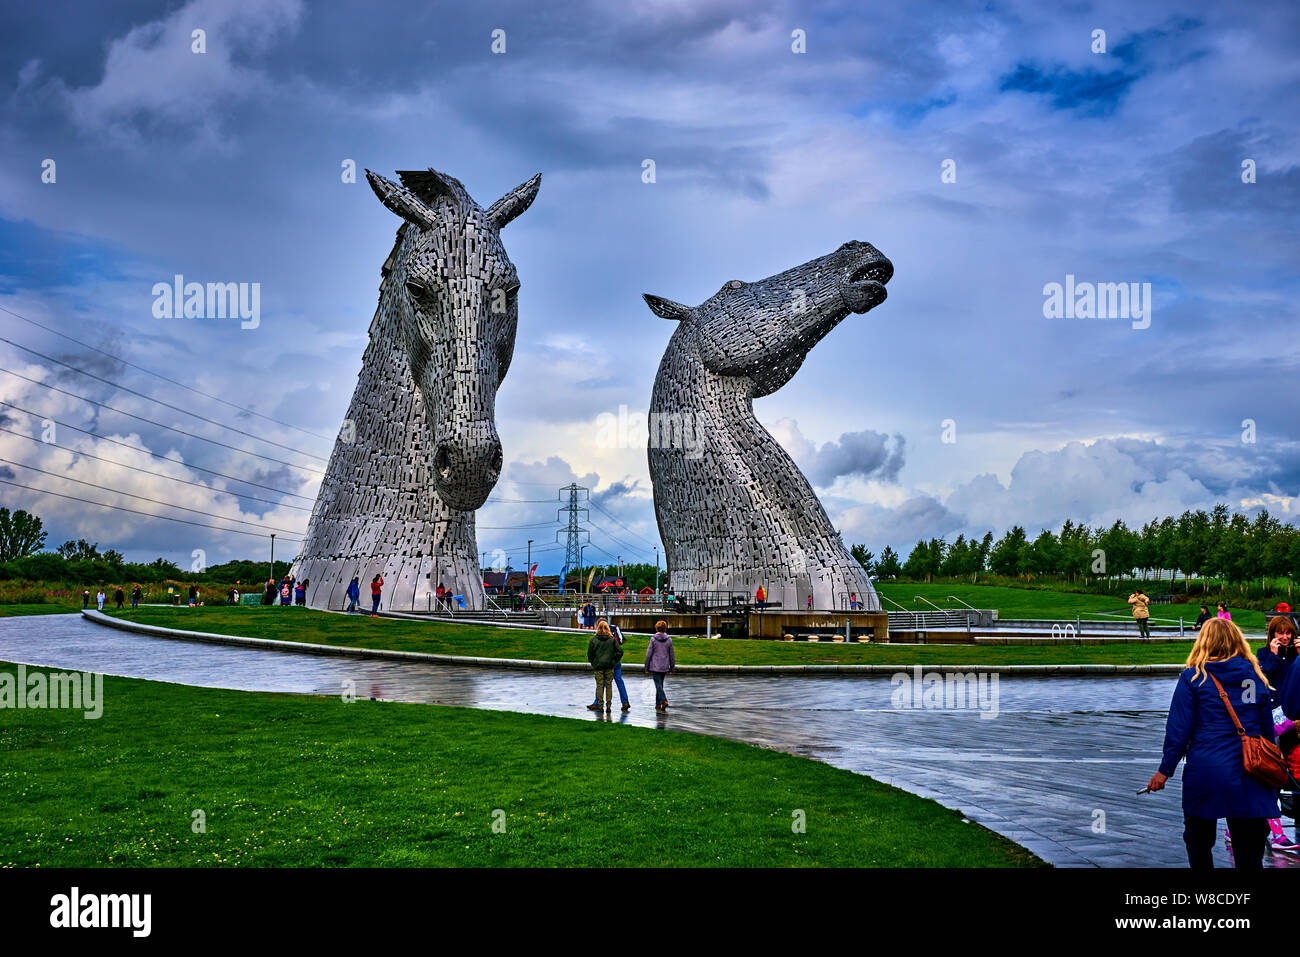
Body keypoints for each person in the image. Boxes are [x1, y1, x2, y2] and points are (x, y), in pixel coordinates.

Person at [1146, 618, 1278, 868]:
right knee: (1249, 850)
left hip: (1207, 769)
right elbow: (1266, 731)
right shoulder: (1254, 676)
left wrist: (1165, 770)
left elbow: (1178, 730)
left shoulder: (1193, 678)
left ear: (1203, 642)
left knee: (1198, 840)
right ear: (1237, 641)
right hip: (1251, 770)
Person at [590, 619, 630, 712]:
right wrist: (615, 659)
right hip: (615, 662)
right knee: (619, 681)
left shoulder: (597, 637)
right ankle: (625, 701)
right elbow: (621, 641)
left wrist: (594, 662)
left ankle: (598, 703)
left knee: (601, 683)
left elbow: (591, 653)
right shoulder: (615, 629)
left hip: (603, 663)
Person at [1257, 616, 1296, 708]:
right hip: (1274, 704)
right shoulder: (1263, 652)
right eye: (1280, 633)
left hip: (1293, 703)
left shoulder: (1295, 652)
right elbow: (1263, 677)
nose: (1285, 637)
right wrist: (1273, 656)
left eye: (1288, 633)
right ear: (1273, 634)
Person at [645, 619, 676, 712]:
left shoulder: (653, 639)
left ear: (657, 628)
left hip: (655, 666)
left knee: (658, 685)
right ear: (665, 629)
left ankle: (664, 701)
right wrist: (672, 668)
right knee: (660, 685)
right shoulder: (669, 640)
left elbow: (648, 654)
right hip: (664, 666)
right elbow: (672, 655)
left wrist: (646, 667)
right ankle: (658, 704)